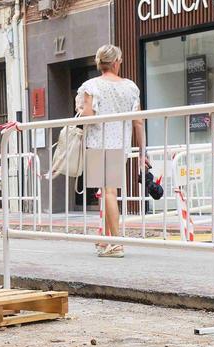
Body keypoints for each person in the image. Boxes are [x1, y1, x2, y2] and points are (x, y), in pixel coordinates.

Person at [78, 44, 146, 258]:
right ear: (116, 62)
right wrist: (143, 151)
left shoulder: (91, 86)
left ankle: (115, 242)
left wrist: (79, 108)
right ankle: (106, 239)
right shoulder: (130, 87)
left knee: (106, 193)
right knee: (109, 192)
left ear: (100, 63)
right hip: (120, 144)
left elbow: (87, 115)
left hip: (98, 143)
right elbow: (138, 122)